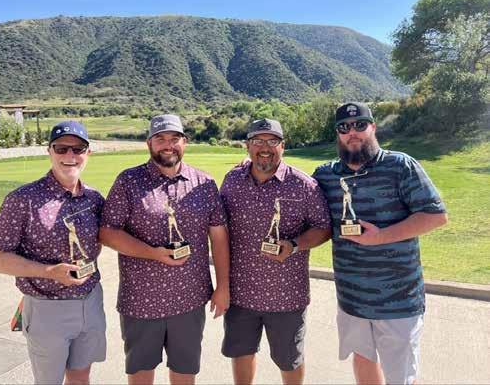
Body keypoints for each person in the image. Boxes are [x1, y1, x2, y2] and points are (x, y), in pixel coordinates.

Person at [313, 102, 448, 385]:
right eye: (344, 127)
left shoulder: (400, 166)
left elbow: (435, 216)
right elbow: (296, 195)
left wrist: (380, 237)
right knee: (363, 360)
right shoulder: (326, 175)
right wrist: (251, 166)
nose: (353, 132)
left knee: (401, 376)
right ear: (337, 133)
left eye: (360, 125)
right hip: (352, 299)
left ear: (373, 127)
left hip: (398, 299)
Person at [99, 114, 230, 385]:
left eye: (174, 138)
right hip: (141, 300)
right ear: (149, 143)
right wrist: (153, 253)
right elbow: (108, 233)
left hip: (190, 300)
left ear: (185, 142)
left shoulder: (204, 183)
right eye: (160, 139)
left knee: (185, 373)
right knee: (140, 374)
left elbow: (218, 237)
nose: (168, 145)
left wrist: (223, 287)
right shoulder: (128, 181)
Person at [0, 121, 106, 385]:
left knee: (81, 377)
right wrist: (48, 272)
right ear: (49, 151)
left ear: (88, 153)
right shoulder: (23, 199)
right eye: (61, 148)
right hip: (47, 307)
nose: (70, 155)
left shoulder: (94, 198)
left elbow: (100, 241)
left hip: (91, 300)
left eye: (78, 149)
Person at [219, 118, 332, 385]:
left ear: (283, 146)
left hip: (286, 295)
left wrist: (294, 245)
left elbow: (324, 227)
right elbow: (219, 224)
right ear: (247, 146)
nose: (265, 148)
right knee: (241, 352)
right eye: (258, 141)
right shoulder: (232, 180)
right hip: (240, 292)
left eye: (272, 141)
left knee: (289, 359)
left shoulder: (304, 185)